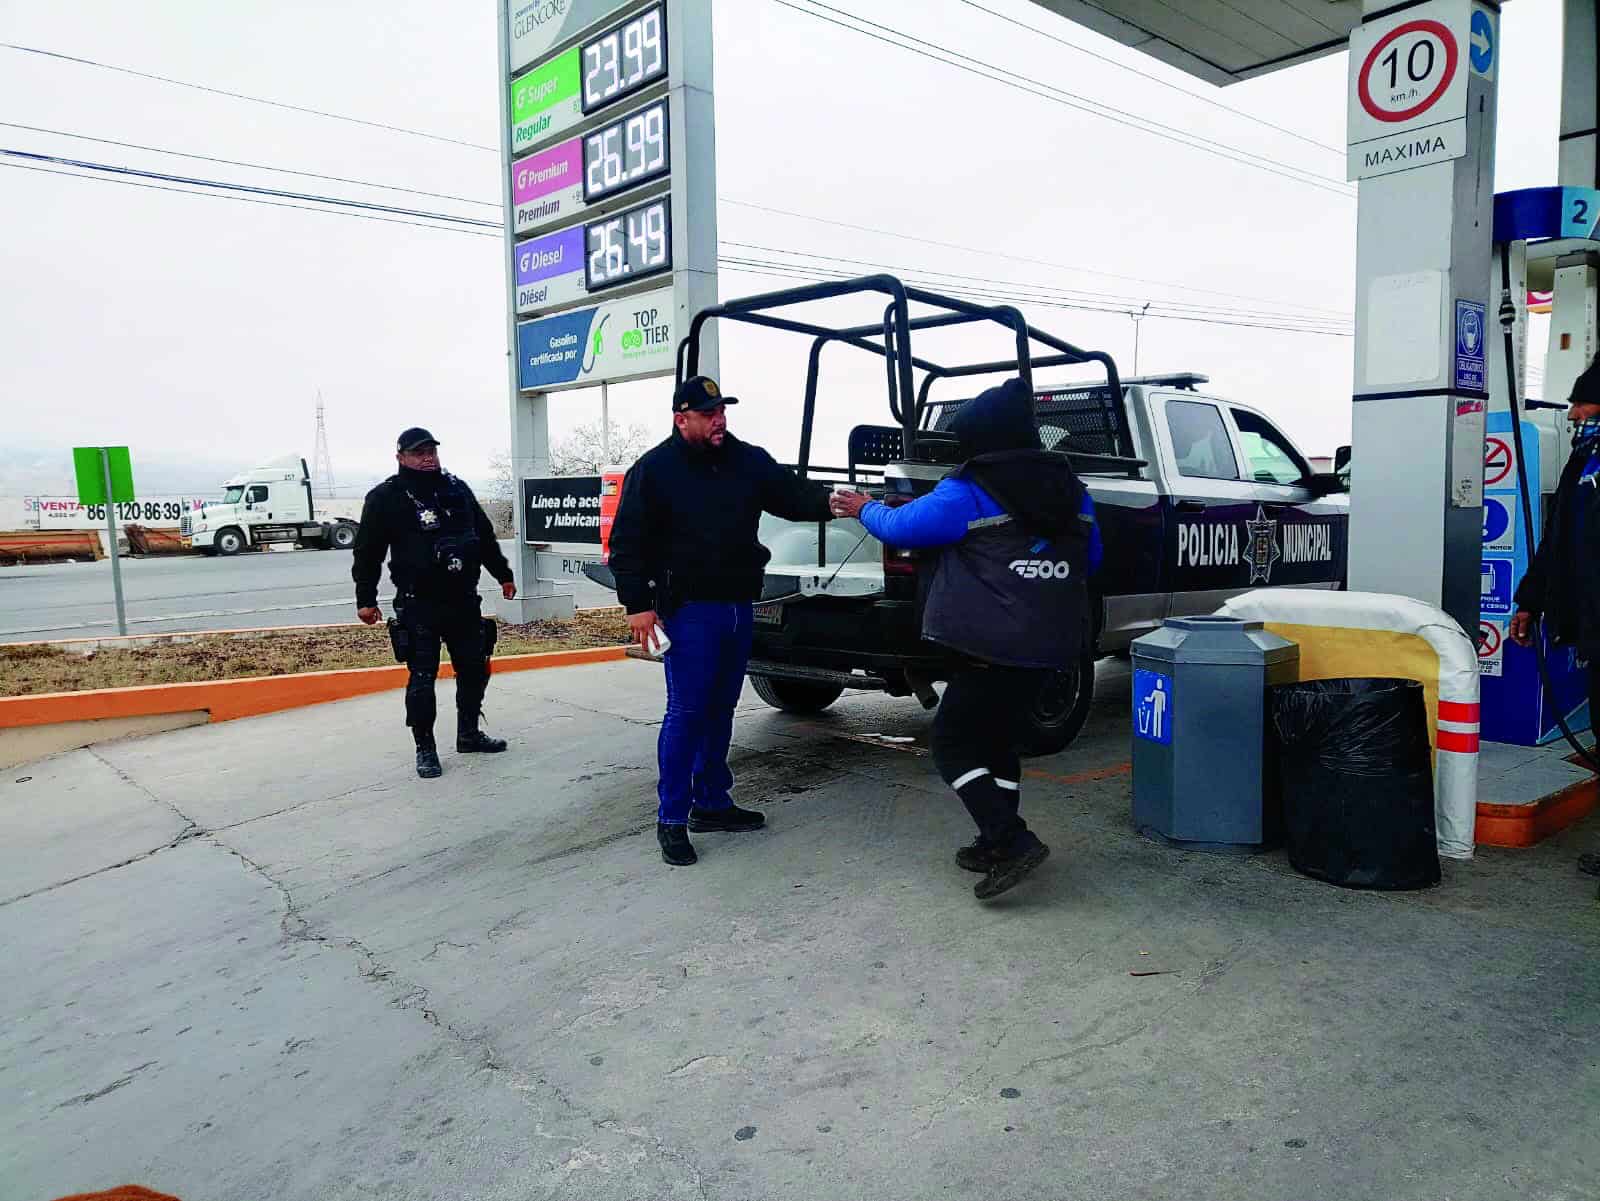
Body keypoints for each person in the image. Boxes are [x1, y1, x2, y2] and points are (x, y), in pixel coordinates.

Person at [830, 378, 1102, 900]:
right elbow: (1092, 561)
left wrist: (863, 506)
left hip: (988, 645)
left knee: (953, 744)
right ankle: (993, 840)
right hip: (1053, 645)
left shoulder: (969, 488)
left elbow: (904, 527)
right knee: (999, 741)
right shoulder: (1076, 491)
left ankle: (1012, 839)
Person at [609, 375, 834, 866]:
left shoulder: (744, 458)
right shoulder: (655, 470)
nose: (720, 420)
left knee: (722, 709)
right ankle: (672, 818)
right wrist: (638, 606)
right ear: (681, 418)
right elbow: (627, 545)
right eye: (709, 413)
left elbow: (792, 496)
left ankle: (712, 802)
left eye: (722, 411)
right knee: (687, 713)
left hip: (738, 606)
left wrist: (837, 503)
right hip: (689, 610)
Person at [352, 427, 517, 779]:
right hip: (418, 604)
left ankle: (469, 733)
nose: (427, 458)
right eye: (418, 453)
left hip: (463, 601)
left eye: (431, 451)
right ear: (401, 458)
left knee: (475, 669)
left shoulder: (456, 489)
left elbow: (484, 535)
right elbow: (368, 552)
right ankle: (425, 748)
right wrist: (365, 598)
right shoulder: (386, 497)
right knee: (423, 679)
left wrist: (503, 574)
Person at [1511, 355, 1600, 883]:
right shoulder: (1582, 463)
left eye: (1583, 405)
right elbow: (1559, 541)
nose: (1572, 416)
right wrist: (1530, 600)